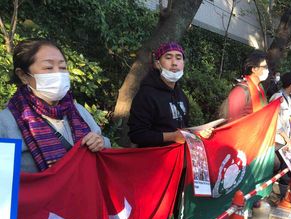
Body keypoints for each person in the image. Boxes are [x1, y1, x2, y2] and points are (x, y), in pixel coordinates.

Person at [0, 38, 111, 173]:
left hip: (81, 192)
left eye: (63, 67)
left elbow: (105, 150)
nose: (58, 73)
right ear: (23, 75)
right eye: (48, 67)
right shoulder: (6, 122)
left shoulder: (78, 112)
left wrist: (101, 142)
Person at [128, 42, 191, 148]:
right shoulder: (146, 94)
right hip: (154, 160)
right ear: (157, 64)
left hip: (177, 157)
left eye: (179, 58)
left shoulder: (181, 95)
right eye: (168, 57)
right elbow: (137, 135)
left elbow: (184, 127)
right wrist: (172, 137)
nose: (174, 63)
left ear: (183, 63)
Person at [268, 72, 291, 203]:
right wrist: (286, 138)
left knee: (284, 169)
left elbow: (287, 121)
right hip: (277, 140)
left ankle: (278, 197)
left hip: (285, 140)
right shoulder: (278, 97)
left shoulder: (288, 99)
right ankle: (272, 197)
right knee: (277, 168)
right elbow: (274, 121)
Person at [221, 51, 269, 122]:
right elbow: (232, 120)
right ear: (254, 69)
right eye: (264, 67)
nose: (267, 70)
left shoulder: (260, 87)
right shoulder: (240, 91)